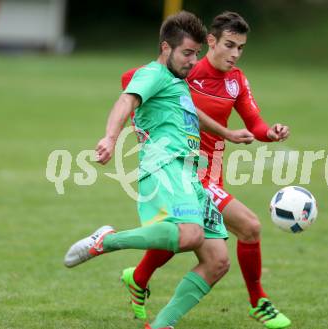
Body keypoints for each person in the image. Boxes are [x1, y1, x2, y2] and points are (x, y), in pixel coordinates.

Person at [63, 11, 250, 329]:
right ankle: (105, 241)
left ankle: (161, 325)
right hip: (166, 165)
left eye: (196, 54)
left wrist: (228, 133)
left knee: (217, 261)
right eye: (187, 53)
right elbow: (125, 101)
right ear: (166, 48)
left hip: (191, 176)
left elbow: (190, 111)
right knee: (190, 234)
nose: (193, 61)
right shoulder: (153, 75)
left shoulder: (177, 83)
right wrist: (110, 136)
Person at [120, 11, 291, 329]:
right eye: (229, 45)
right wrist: (139, 119)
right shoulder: (186, 67)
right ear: (211, 41)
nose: (235, 54)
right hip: (186, 171)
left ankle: (138, 277)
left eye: (241, 47)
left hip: (214, 175)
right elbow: (132, 78)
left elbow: (255, 124)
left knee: (188, 238)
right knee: (249, 226)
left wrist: (271, 132)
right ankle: (258, 302)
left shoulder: (237, 80)